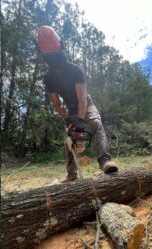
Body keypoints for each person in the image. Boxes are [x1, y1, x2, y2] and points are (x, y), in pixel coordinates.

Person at [37, 25, 118, 181]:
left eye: (56, 55)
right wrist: (68, 120)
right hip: (71, 108)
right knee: (69, 137)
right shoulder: (48, 79)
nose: (55, 61)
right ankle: (71, 174)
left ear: (61, 51)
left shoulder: (76, 70)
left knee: (95, 123)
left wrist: (80, 120)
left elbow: (82, 98)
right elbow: (57, 104)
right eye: (50, 56)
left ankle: (105, 161)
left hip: (86, 104)